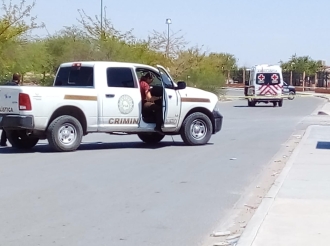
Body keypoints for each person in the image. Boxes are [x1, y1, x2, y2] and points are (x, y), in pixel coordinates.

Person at [0, 73, 21, 146]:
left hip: (3, 107)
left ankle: (3, 141)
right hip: (12, 107)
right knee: (8, 126)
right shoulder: (16, 87)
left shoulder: (5, 85)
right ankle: (5, 141)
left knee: (5, 125)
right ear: (18, 79)